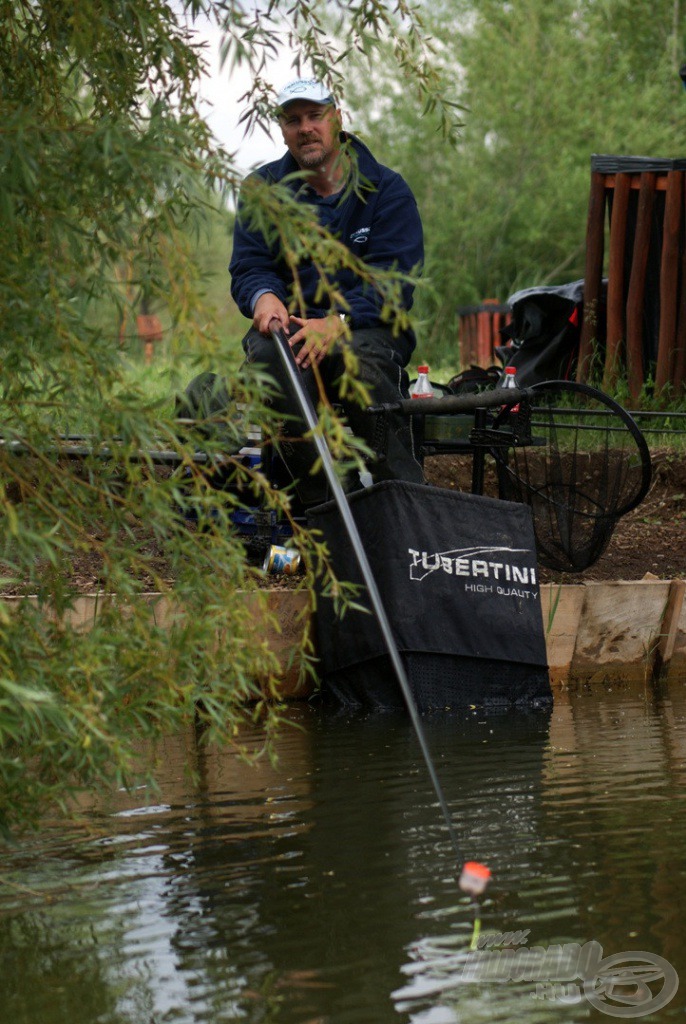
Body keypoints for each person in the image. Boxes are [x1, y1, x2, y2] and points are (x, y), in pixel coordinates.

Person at [229, 77, 426, 507]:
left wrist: (337, 323)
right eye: (293, 119)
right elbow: (250, 266)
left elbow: (394, 284)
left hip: (366, 327)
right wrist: (263, 296)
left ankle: (407, 502)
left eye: (315, 115)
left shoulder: (387, 190)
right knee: (269, 359)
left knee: (358, 366)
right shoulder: (261, 190)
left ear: (337, 118)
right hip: (293, 327)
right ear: (282, 129)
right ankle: (327, 505)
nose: (305, 128)